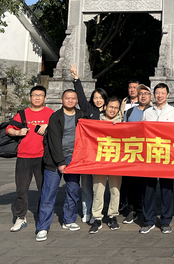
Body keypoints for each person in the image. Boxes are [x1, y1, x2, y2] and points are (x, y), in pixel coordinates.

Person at [35, 90, 87, 242]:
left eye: (73, 98)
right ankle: (43, 227)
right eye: (67, 98)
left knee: (73, 190)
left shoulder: (81, 115)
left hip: (74, 158)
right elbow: (54, 141)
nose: (70, 100)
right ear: (61, 100)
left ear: (77, 100)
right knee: (48, 194)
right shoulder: (55, 117)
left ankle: (69, 220)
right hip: (54, 160)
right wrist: (60, 162)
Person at [6, 85, 53, 232]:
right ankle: (20, 217)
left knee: (43, 189)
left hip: (43, 157)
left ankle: (42, 216)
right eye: (34, 95)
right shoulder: (22, 114)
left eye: (40, 95)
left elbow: (60, 128)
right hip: (24, 156)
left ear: (45, 98)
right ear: (30, 97)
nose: (37, 97)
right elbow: (8, 129)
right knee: (21, 189)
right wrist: (18, 132)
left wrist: (48, 126)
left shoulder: (50, 113)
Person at [139, 83, 174, 234]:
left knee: (166, 189)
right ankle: (148, 220)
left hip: (167, 155)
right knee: (148, 188)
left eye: (163, 93)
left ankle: (165, 220)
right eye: (157, 93)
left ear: (167, 95)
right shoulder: (147, 112)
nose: (160, 96)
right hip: (150, 155)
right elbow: (142, 132)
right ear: (153, 95)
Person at [70, 64, 108, 223]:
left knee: (99, 185)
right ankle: (86, 210)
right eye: (95, 97)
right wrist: (76, 79)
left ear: (105, 99)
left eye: (101, 97)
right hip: (88, 153)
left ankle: (97, 212)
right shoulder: (88, 110)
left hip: (104, 153)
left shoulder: (110, 112)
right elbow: (80, 96)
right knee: (85, 183)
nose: (98, 100)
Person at [88, 96, 123, 234]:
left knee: (115, 190)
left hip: (116, 161)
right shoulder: (96, 122)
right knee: (98, 190)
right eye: (111, 107)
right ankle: (97, 217)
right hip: (100, 161)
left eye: (116, 108)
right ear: (105, 107)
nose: (113, 110)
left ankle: (112, 215)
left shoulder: (123, 124)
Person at [121, 83, 154, 225]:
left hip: (149, 152)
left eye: (146, 93)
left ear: (150, 96)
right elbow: (123, 130)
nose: (143, 96)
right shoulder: (129, 112)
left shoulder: (154, 112)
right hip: (133, 151)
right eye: (141, 93)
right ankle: (132, 209)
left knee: (147, 184)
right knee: (131, 182)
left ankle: (145, 209)